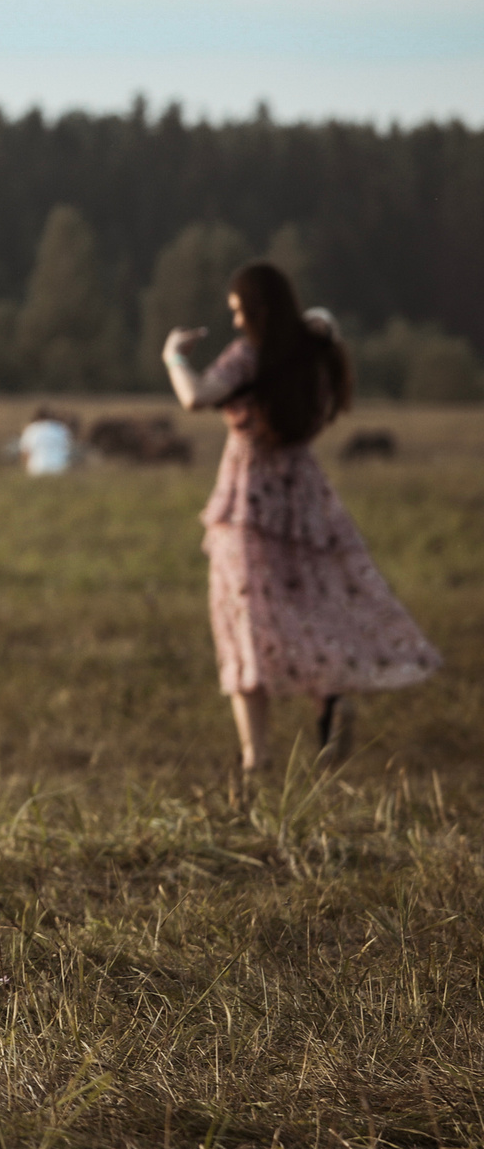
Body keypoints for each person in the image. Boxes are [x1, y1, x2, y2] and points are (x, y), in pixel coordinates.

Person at [165, 262, 440, 772]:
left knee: (244, 622)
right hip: (307, 500)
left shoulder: (250, 356)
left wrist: (173, 356)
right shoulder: (316, 356)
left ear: (258, 308)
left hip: (248, 502)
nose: (235, 321)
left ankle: (256, 757)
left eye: (238, 310)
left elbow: (194, 397)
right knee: (310, 608)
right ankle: (331, 700)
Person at [18, 406, 74, 476]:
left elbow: (25, 453)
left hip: (37, 469)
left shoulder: (31, 429)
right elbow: (68, 449)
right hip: (58, 468)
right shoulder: (61, 429)